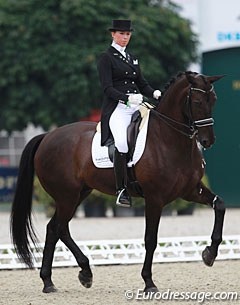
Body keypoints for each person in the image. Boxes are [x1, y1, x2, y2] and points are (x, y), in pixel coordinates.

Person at [97, 19, 161, 207]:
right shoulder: (106, 58)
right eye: (121, 34)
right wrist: (126, 98)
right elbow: (107, 88)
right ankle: (122, 189)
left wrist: (155, 93)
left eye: (128, 35)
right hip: (118, 109)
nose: (125, 38)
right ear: (113, 34)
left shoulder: (132, 58)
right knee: (123, 143)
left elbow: (142, 84)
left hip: (137, 105)